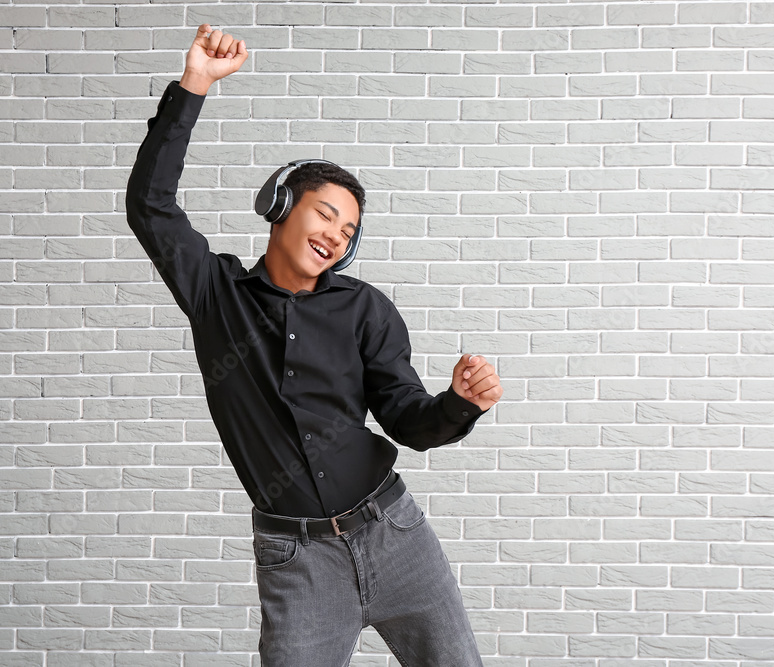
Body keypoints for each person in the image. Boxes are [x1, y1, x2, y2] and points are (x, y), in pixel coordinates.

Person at [125, 24, 503, 667]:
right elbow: (150, 206)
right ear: (279, 205)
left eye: (348, 227)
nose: (336, 232)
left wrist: (458, 403)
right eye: (325, 212)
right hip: (296, 560)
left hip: (395, 534)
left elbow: (408, 421)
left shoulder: (364, 309)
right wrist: (195, 85)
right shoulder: (217, 294)